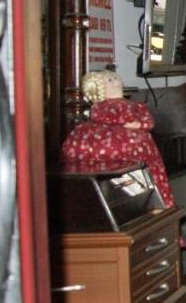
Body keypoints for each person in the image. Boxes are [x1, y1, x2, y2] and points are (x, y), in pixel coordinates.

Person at [62, 70, 175, 207]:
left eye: (115, 78)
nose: (116, 82)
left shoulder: (132, 108)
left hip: (133, 157)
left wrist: (136, 124)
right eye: (110, 80)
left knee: (138, 185)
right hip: (120, 163)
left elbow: (148, 122)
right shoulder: (92, 124)